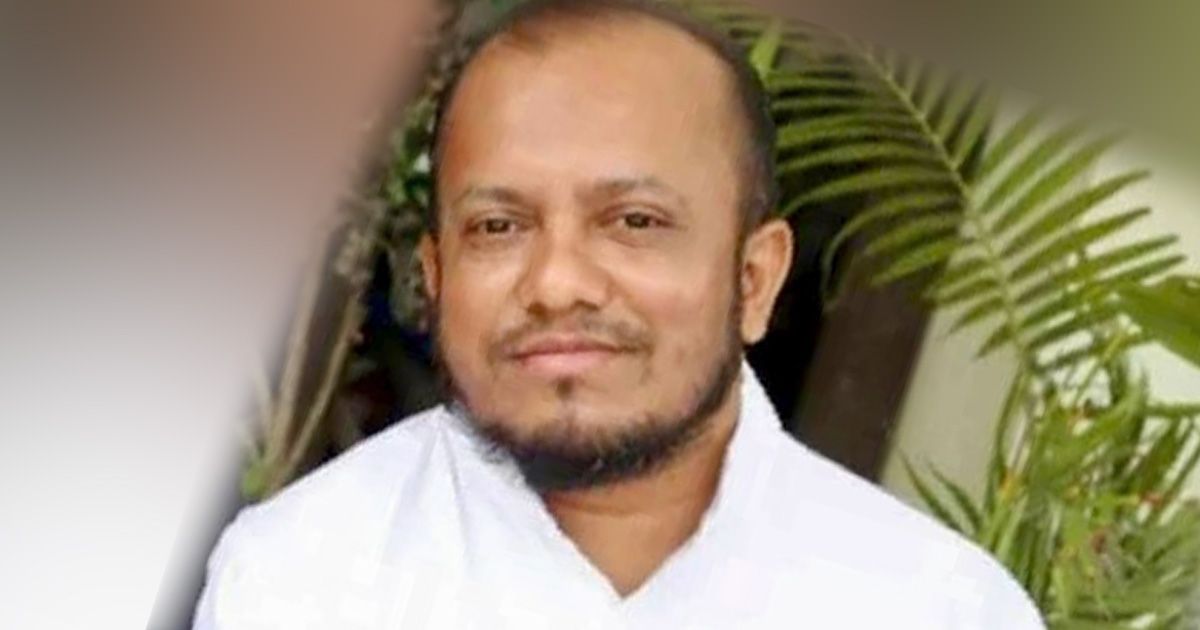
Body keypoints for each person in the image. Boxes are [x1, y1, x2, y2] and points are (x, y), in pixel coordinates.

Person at [193, 0, 1045, 627]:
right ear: (437, 276)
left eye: (634, 221)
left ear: (754, 279)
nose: (558, 283)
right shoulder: (300, 577)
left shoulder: (937, 608)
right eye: (498, 226)